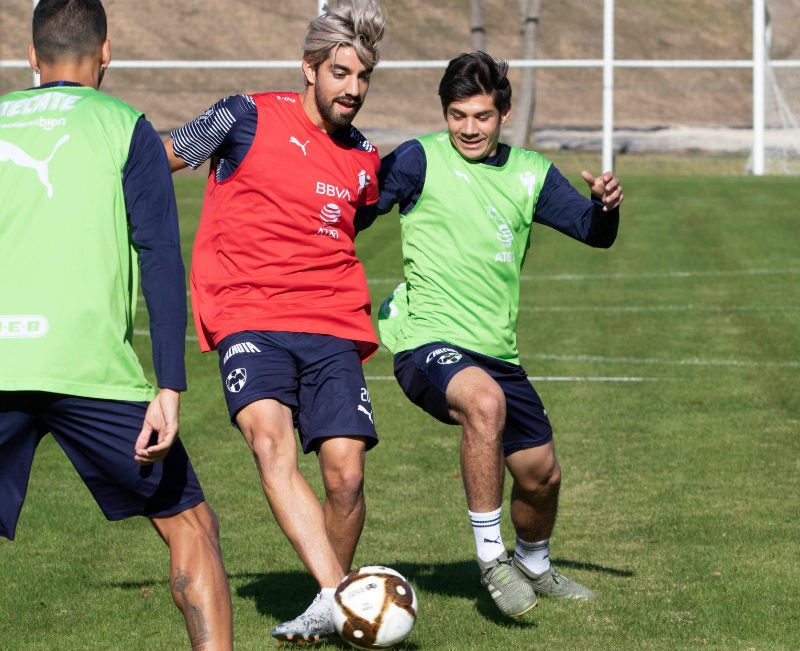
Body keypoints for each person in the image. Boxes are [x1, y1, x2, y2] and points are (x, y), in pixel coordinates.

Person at [0, 1, 233, 649]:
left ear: (30, 56)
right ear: (106, 52)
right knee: (191, 526)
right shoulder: (126, 127)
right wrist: (171, 385)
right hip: (89, 369)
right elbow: (159, 255)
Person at [163, 0, 386, 644]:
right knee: (271, 443)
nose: (353, 89)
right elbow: (165, 157)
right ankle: (341, 599)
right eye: (340, 73)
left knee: (346, 475)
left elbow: (358, 216)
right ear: (309, 69)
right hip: (249, 316)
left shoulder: (364, 158)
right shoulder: (245, 116)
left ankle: (328, 598)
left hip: (330, 322)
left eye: (363, 77)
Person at [374, 51, 623, 619]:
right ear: (444, 112)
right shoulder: (418, 159)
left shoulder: (531, 171)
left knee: (542, 476)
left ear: (504, 113)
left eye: (481, 116)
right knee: (482, 404)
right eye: (457, 114)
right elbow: (358, 210)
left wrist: (605, 207)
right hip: (425, 339)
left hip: (495, 350)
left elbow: (593, 233)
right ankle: (492, 560)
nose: (467, 128)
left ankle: (534, 561)